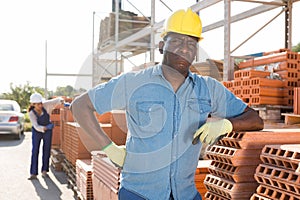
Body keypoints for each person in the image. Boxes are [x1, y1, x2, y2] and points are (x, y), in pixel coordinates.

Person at [70, 8, 264, 200]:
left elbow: (255, 119)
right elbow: (80, 106)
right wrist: (109, 149)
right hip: (139, 193)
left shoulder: (209, 89)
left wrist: (227, 124)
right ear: (162, 45)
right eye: (177, 41)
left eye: (191, 43)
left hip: (185, 194)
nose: (185, 48)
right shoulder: (132, 83)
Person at [28, 93, 64, 180]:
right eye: (38, 104)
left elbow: (58, 99)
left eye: (41, 103)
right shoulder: (31, 113)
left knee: (46, 149)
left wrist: (62, 101)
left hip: (48, 131)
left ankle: (44, 171)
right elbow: (36, 126)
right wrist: (45, 128)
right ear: (33, 104)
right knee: (35, 150)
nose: (41, 105)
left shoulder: (46, 105)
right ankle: (33, 173)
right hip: (37, 131)